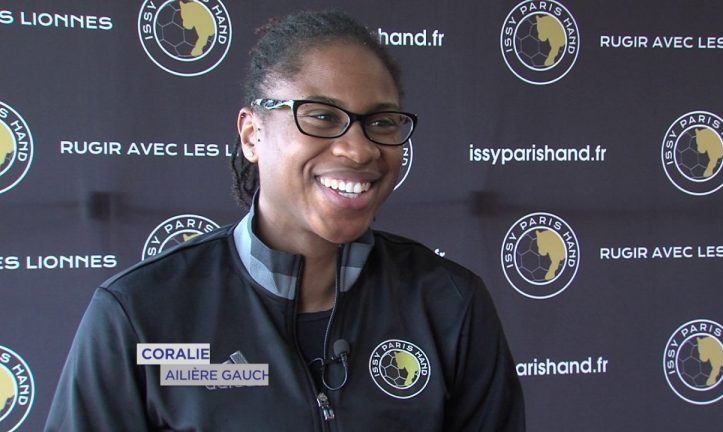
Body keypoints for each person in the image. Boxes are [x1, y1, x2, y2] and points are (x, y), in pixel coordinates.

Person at [46, 10, 525, 431]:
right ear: (253, 134)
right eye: (319, 116)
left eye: (381, 123)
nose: (359, 149)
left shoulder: (450, 304)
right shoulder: (141, 316)